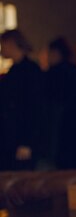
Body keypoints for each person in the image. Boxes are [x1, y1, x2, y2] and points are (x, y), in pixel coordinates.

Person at [0, 29, 44, 171]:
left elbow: (33, 108)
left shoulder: (29, 71)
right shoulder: (15, 71)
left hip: (22, 138)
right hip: (13, 137)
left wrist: (27, 142)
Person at [45, 37, 76, 169]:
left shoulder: (55, 73)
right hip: (74, 119)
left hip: (61, 121)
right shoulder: (72, 69)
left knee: (64, 158)